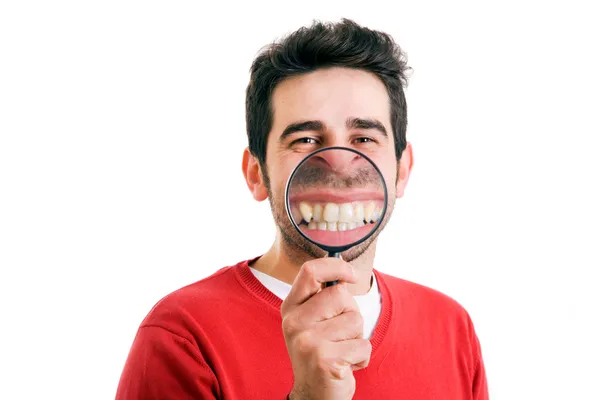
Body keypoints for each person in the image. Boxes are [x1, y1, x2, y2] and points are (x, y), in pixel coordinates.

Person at [115, 18, 489, 400]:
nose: (339, 163)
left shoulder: (451, 325)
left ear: (402, 171)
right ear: (256, 173)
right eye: (305, 139)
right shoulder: (183, 334)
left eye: (364, 137)